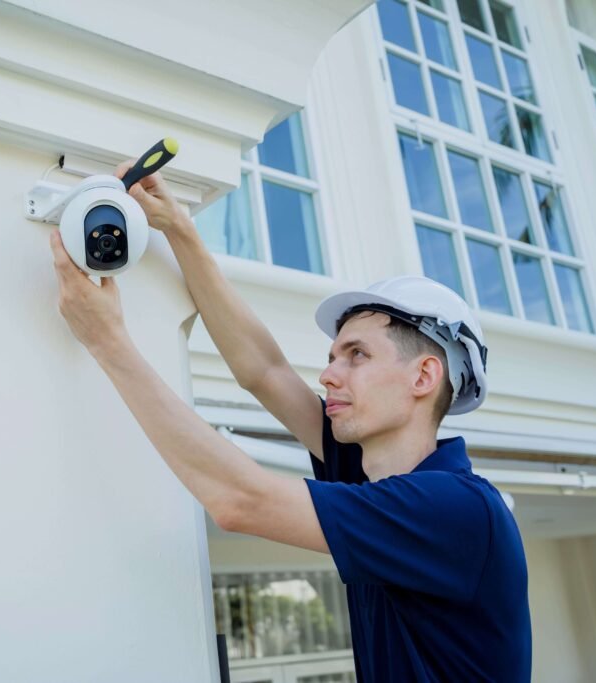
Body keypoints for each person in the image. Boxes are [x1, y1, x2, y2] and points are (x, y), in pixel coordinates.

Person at [47, 161, 532, 682]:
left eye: (357, 355)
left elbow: (239, 500)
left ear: (423, 377)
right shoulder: (371, 477)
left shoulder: (457, 510)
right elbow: (264, 370)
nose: (328, 375)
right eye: (333, 356)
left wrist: (108, 343)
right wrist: (180, 230)